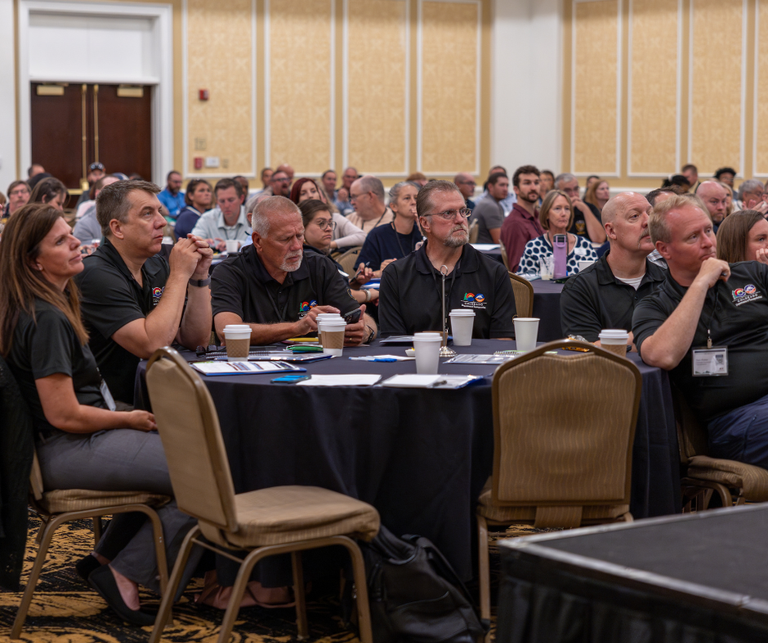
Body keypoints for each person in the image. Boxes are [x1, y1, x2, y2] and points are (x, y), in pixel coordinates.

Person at [0, 203, 197, 624]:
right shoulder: (46, 317)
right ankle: (126, 574)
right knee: (205, 473)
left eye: (70, 232)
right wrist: (128, 419)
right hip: (66, 447)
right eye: (60, 241)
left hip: (77, 440)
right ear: (34, 263)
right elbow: (65, 415)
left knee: (190, 453)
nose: (76, 242)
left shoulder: (45, 304)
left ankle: (103, 558)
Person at [632, 195, 768, 470]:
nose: (708, 242)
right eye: (693, 237)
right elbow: (663, 355)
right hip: (737, 421)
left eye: (708, 230)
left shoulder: (752, 275)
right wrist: (702, 282)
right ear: (664, 249)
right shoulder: (655, 306)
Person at [74, 180, 213, 405]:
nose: (161, 222)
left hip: (159, 396)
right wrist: (179, 275)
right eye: (147, 214)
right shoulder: (94, 275)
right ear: (118, 228)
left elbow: (196, 339)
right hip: (112, 408)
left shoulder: (155, 265)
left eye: (159, 211)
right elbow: (152, 344)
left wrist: (198, 276)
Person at [211, 196, 376, 345]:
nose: (297, 247)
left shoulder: (319, 266)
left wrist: (366, 331)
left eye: (299, 236)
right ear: (258, 241)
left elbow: (361, 317)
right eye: (286, 239)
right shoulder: (230, 272)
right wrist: (297, 328)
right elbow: (227, 330)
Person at [378, 181, 515, 338]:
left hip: (477, 361)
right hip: (416, 361)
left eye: (463, 211)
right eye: (448, 213)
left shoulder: (494, 273)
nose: (460, 220)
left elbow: (502, 341)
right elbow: (393, 343)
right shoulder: (396, 276)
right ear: (425, 223)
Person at [560, 192, 667, 347]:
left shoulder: (668, 281)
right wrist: (649, 332)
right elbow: (587, 349)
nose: (648, 222)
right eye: (635, 216)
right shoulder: (580, 288)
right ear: (611, 231)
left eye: (650, 214)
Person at [299, 199, 378, 307]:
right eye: (321, 223)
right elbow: (340, 296)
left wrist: (356, 283)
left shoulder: (322, 253)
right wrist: (369, 294)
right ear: (302, 227)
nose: (329, 229)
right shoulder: (309, 258)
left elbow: (335, 288)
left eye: (330, 223)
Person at [516, 190, 599, 278]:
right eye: (557, 208)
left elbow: (597, 280)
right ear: (547, 213)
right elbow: (524, 284)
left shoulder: (584, 245)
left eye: (567, 209)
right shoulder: (534, 247)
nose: (564, 214)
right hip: (545, 292)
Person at [357, 181, 422, 276]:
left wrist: (424, 230)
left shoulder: (424, 233)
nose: (413, 202)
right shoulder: (377, 235)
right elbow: (361, 276)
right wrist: (380, 272)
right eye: (407, 198)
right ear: (394, 206)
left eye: (416, 198)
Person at [289, 177, 365, 250]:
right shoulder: (291, 224)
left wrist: (330, 245)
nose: (310, 196)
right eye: (303, 193)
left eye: (313, 191)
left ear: (320, 195)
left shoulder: (335, 217)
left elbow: (363, 236)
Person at [500, 165, 543, 272]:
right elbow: (516, 269)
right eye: (527, 183)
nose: (533, 187)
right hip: (534, 284)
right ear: (516, 189)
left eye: (536, 183)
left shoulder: (537, 217)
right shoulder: (515, 223)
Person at [191, 178, 251, 251]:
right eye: (222, 201)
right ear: (217, 201)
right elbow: (193, 241)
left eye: (231, 200)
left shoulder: (252, 217)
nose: (226, 205)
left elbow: (262, 245)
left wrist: (239, 244)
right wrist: (201, 243)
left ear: (241, 199)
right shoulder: (207, 218)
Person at [554, 173, 606, 243]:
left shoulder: (590, 207)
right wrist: (567, 210)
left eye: (576, 189)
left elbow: (599, 239)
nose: (573, 194)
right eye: (567, 190)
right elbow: (554, 237)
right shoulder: (552, 210)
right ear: (557, 191)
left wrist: (585, 209)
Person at [73, 175, 120, 244]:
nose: (117, 196)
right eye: (111, 192)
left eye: (120, 192)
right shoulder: (84, 226)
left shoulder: (130, 220)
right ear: (98, 194)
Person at [471, 171, 508, 244]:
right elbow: (499, 241)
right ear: (490, 187)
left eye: (507, 185)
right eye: (502, 185)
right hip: (487, 253)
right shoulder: (490, 205)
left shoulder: (494, 203)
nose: (505, 189)